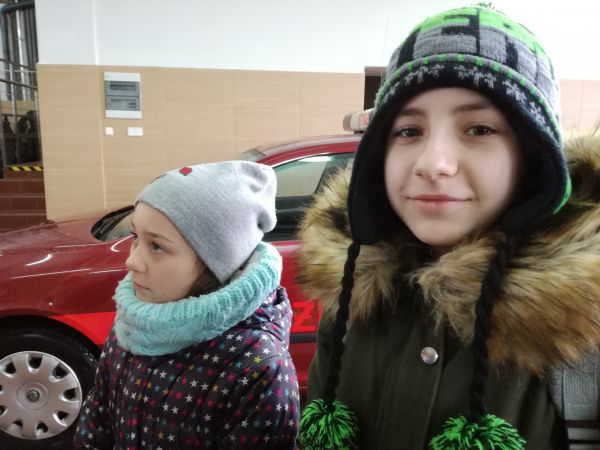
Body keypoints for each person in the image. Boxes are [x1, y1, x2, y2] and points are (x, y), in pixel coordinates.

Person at [296, 5, 600, 450]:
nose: (432, 162)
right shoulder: (352, 293)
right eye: (408, 131)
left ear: (534, 157)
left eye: (478, 129)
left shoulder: (585, 328)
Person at [74, 161, 300, 449]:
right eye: (136, 238)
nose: (132, 261)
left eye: (157, 246)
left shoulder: (257, 369)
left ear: (213, 265)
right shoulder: (133, 323)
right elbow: (96, 425)